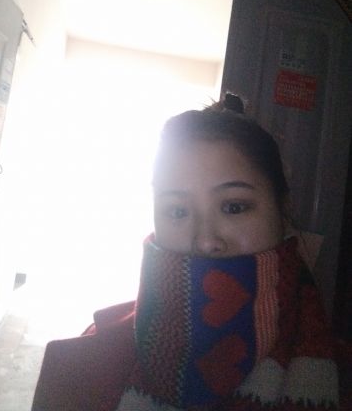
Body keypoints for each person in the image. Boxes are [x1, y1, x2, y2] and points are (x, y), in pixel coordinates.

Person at [32, 96, 340, 411]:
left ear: (282, 209)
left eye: (234, 207)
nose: (205, 241)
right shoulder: (77, 369)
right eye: (177, 211)